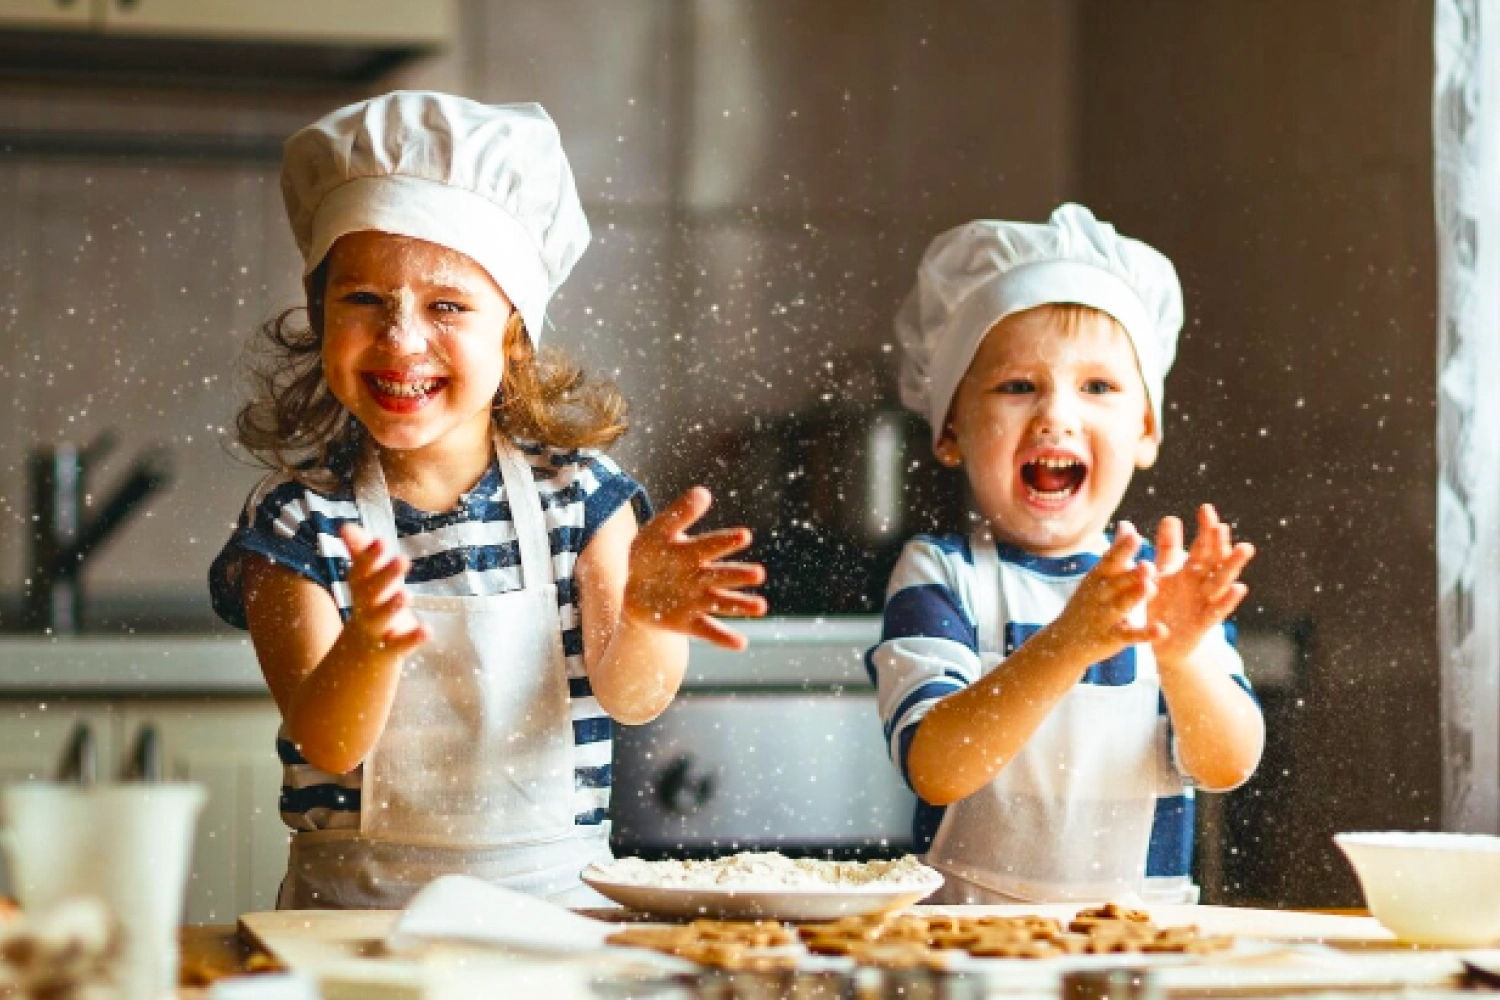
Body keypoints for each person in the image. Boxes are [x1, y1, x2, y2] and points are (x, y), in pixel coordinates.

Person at [209, 92, 766, 909]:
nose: (401, 339)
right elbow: (329, 744)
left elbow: (632, 698)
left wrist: (647, 618)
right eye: (363, 300)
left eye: (447, 306)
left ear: (513, 333)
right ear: (320, 315)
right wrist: (369, 647)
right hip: (355, 928)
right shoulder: (298, 524)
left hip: (558, 920)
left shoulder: (582, 499)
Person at [870, 204, 1265, 904]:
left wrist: (1181, 658)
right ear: (951, 430)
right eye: (1017, 386)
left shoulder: (1167, 590)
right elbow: (935, 767)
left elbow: (1227, 765)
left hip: (1140, 946)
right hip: (965, 944)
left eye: (1098, 388)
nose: (1056, 414)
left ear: (1146, 431)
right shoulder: (942, 574)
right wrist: (1067, 644)